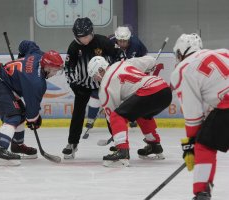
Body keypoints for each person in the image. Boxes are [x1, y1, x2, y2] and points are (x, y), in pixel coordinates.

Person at [0, 40, 64, 166]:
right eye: (55, 70)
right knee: (13, 114)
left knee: (20, 112)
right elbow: (31, 113)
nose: (55, 73)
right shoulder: (36, 83)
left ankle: (17, 146)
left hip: (1, 80)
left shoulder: (37, 54)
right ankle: (0, 151)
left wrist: (22, 55)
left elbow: (26, 44)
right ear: (47, 67)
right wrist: (35, 120)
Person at [171, 33, 229, 200]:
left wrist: (191, 144)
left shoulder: (182, 70)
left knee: (205, 145)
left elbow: (193, 115)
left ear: (180, 52)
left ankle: (202, 191)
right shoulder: (222, 51)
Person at [87, 55, 172, 167]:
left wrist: (117, 139)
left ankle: (122, 152)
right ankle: (154, 145)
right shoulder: (122, 63)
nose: (96, 79)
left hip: (149, 91)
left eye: (95, 76)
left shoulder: (105, 86)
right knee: (141, 114)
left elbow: (112, 117)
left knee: (116, 116)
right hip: (165, 90)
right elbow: (151, 61)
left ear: (100, 70)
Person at [63, 17, 123, 159]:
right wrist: (74, 84)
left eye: (87, 35)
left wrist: (113, 77)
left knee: (111, 113)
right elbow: (68, 68)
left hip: (104, 83)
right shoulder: (73, 47)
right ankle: (72, 143)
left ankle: (119, 142)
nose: (85, 39)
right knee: (77, 114)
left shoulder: (103, 42)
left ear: (92, 32)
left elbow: (119, 57)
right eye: (81, 37)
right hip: (83, 85)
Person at [85, 26, 148, 129]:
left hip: (127, 72)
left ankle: (132, 117)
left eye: (125, 41)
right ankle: (91, 118)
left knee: (131, 94)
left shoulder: (136, 43)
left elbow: (144, 56)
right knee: (97, 92)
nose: (122, 43)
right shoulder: (108, 41)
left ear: (129, 39)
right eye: (120, 41)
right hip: (109, 70)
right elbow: (98, 56)